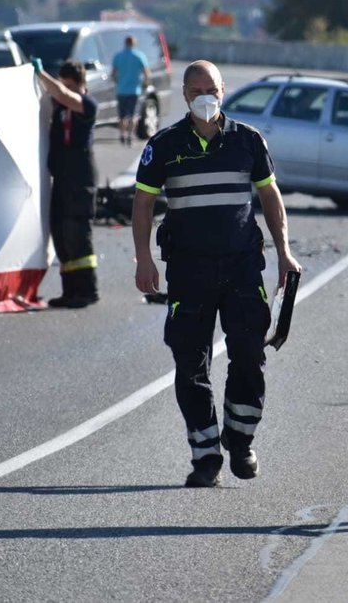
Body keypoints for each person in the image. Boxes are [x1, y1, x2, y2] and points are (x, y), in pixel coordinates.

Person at [132, 60, 302, 488]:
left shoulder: (248, 140)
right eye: (195, 90)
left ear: (223, 91)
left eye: (211, 89)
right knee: (190, 363)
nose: (204, 97)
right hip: (189, 270)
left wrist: (284, 252)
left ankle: (240, 439)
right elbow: (142, 205)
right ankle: (205, 453)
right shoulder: (164, 145)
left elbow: (270, 196)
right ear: (184, 95)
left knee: (249, 355)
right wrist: (143, 259)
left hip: (242, 266)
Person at [34, 58, 100, 308]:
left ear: (81, 85)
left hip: (80, 178)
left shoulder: (87, 105)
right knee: (60, 232)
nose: (65, 90)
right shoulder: (60, 107)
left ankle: (87, 290)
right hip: (62, 177)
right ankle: (70, 290)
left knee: (77, 233)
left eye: (70, 85)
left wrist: (42, 74)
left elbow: (62, 94)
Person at [111, 35, 151, 146]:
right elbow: (146, 73)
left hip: (121, 90)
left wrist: (117, 82)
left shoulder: (118, 56)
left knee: (122, 115)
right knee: (133, 115)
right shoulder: (139, 56)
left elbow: (113, 74)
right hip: (134, 90)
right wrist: (145, 84)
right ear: (134, 43)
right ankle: (130, 136)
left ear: (125, 43)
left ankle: (122, 135)